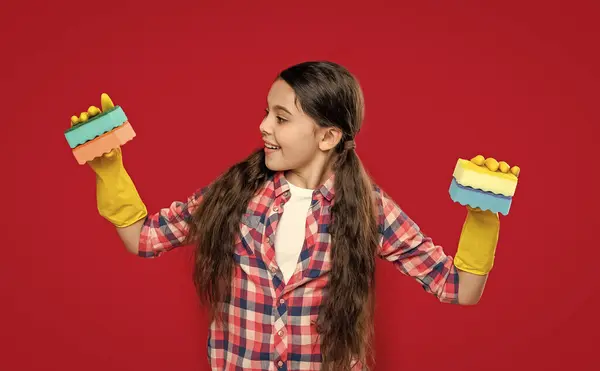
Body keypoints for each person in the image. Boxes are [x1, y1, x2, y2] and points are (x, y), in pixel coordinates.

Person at [73, 61, 504, 371]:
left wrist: (482, 221)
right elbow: (142, 239)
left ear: (328, 136)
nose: (263, 126)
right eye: (266, 112)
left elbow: (458, 288)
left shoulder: (369, 208)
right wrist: (110, 171)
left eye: (281, 117)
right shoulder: (234, 195)